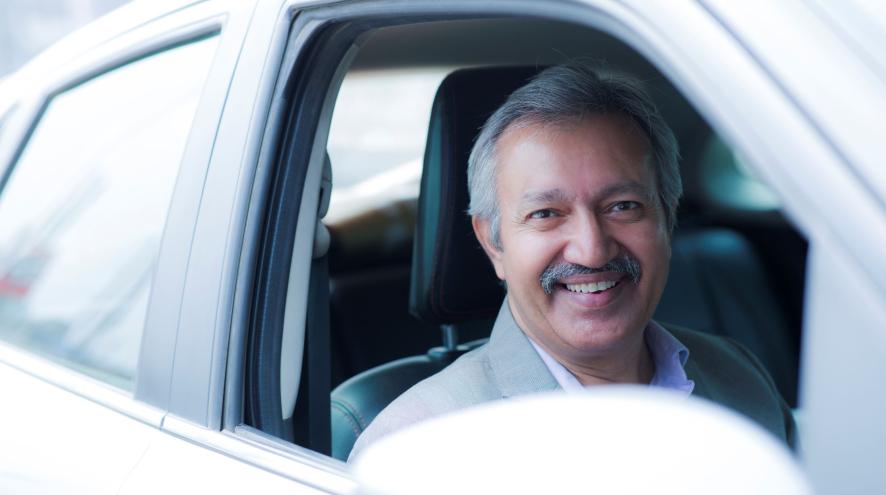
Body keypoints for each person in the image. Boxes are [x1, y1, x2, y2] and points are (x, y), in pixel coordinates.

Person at [348, 62, 795, 460]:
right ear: (493, 244)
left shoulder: (741, 377)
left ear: (668, 217)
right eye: (546, 214)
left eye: (622, 205)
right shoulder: (418, 449)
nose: (592, 249)